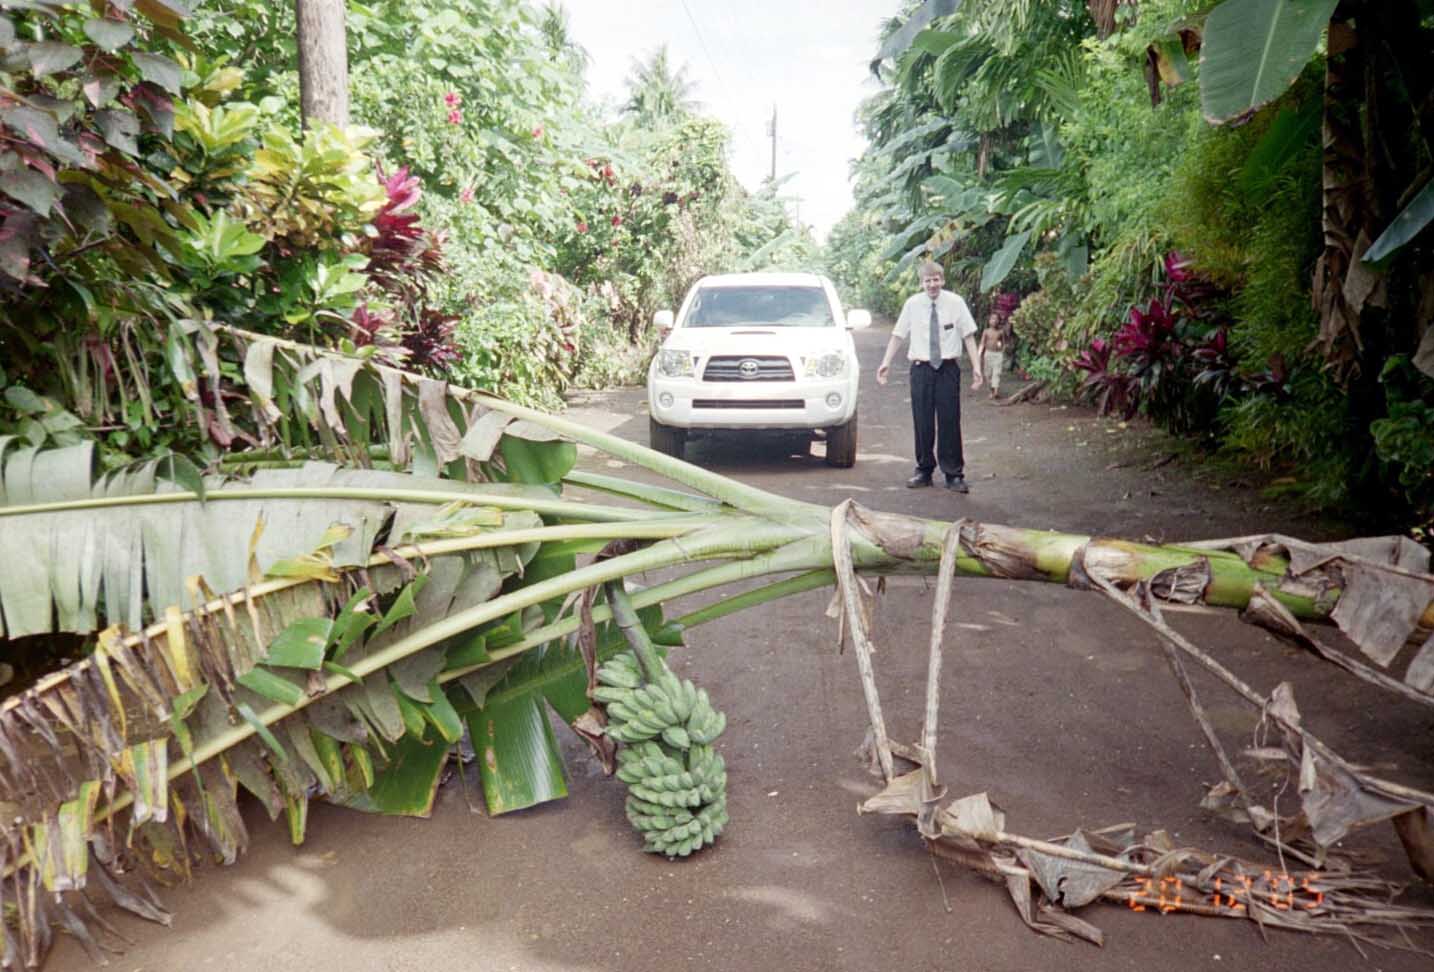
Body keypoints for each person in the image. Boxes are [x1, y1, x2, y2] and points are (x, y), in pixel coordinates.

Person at [876, 260, 983, 492]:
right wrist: (885, 363)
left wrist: (976, 367)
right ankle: (924, 470)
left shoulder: (956, 303)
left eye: (936, 280)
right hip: (921, 369)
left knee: (949, 421)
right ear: (921, 283)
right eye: (928, 281)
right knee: (922, 420)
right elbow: (898, 335)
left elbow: (968, 337)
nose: (932, 285)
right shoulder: (912, 304)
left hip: (947, 369)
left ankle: (953, 474)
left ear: (942, 280)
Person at [978, 312, 1006, 400]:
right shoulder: (986, 331)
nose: (994, 321)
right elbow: (982, 343)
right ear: (989, 321)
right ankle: (991, 391)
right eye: (992, 319)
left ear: (999, 321)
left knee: (996, 373)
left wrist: (1002, 351)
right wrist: (979, 354)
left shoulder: (1001, 332)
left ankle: (996, 392)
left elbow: (1003, 343)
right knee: (987, 375)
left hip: (998, 355)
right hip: (988, 354)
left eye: (996, 319)